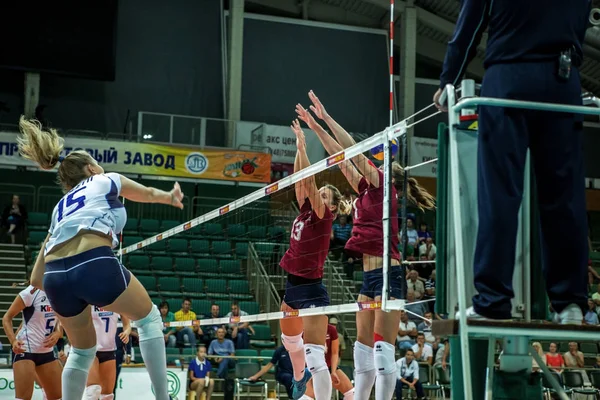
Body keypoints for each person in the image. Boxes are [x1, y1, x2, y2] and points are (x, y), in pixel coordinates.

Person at [434, 0, 591, 323]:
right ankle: (570, 303)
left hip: (508, 80)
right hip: (563, 80)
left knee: (500, 195)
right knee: (565, 199)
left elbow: (470, 25)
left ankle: (492, 301)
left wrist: (449, 80)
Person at [17, 116, 184, 400]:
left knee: (81, 352)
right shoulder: (105, 180)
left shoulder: (60, 208)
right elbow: (147, 193)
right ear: (92, 168)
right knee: (150, 320)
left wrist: (72, 288)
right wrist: (170, 197)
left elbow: (35, 278)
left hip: (56, 278)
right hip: (93, 261)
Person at [297, 91, 435, 400]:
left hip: (389, 274)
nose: (367, 165)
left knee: (384, 355)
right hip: (369, 278)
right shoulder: (364, 191)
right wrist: (316, 126)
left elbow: (351, 151)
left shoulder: (382, 185)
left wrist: (327, 117)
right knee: (362, 352)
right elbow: (340, 158)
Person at [279, 120, 350, 400]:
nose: (319, 194)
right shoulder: (307, 212)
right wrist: (299, 146)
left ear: (332, 205)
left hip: (311, 291)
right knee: (289, 341)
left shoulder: (324, 217)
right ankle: (299, 378)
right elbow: (301, 181)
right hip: (291, 289)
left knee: (316, 359)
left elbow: (308, 180)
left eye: (325, 195)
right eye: (320, 193)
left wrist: (305, 147)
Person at [1, 285, 63, 400]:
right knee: (23, 398)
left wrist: (58, 332)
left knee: (58, 397)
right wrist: (13, 340)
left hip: (46, 351)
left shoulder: (59, 292)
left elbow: (61, 318)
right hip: (25, 349)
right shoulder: (30, 292)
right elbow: (6, 318)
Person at [84, 307, 131, 400]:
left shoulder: (115, 300)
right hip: (91, 349)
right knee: (92, 391)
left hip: (109, 350)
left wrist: (126, 332)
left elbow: (127, 324)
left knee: (108, 396)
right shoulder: (89, 299)